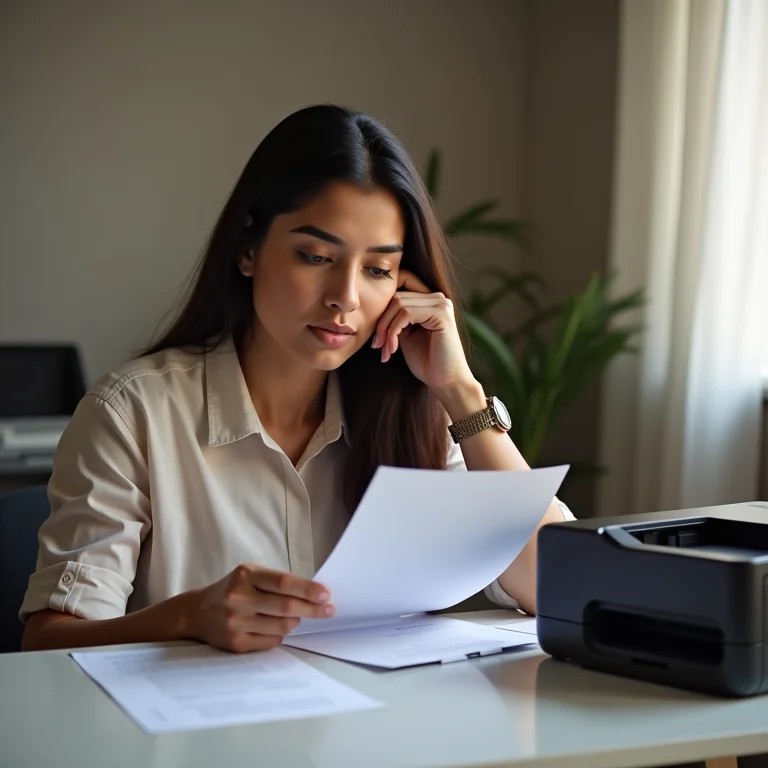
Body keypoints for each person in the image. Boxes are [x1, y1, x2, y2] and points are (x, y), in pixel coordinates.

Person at [20, 104, 574, 653]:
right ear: (247, 250)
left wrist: (461, 393)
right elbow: (46, 644)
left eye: (378, 269)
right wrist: (189, 616)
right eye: (314, 256)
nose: (346, 298)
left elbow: (556, 589)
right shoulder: (133, 412)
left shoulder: (416, 411)